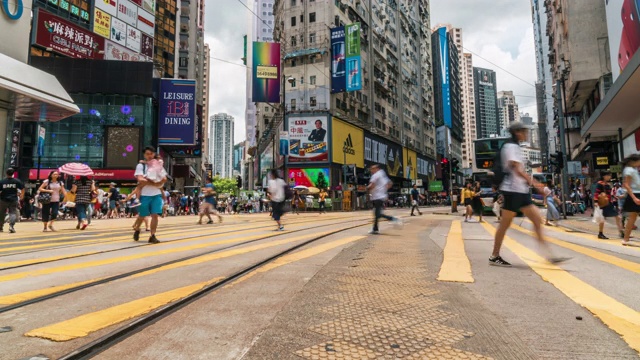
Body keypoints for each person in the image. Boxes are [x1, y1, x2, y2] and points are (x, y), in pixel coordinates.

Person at [490, 122, 568, 267]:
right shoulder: (511, 147)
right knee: (505, 224)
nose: (526, 134)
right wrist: (536, 184)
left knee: (537, 220)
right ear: (517, 132)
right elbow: (517, 169)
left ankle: (549, 255)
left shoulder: (515, 147)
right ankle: (495, 255)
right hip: (513, 191)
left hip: (520, 191)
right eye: (524, 131)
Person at [132, 147, 167, 243]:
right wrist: (155, 183)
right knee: (142, 216)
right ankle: (137, 229)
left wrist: (152, 183)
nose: (149, 155)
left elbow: (164, 178)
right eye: (147, 154)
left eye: (151, 153)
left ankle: (152, 235)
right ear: (144, 155)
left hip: (156, 195)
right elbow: (140, 179)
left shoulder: (158, 165)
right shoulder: (141, 166)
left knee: (155, 215)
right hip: (144, 195)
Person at [367, 164, 401, 234]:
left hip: (377, 197)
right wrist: (384, 190)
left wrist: (367, 188)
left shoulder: (375, 175)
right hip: (381, 197)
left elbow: (372, 185)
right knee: (376, 214)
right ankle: (375, 229)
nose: (371, 171)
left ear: (376, 169)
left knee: (378, 214)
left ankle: (393, 219)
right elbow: (390, 183)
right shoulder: (382, 174)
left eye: (372, 169)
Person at [593, 171, 624, 239]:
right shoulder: (600, 184)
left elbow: (609, 194)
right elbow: (596, 193)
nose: (610, 177)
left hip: (609, 203)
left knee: (617, 216)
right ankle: (600, 233)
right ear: (604, 176)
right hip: (603, 204)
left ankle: (621, 232)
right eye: (608, 175)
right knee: (602, 219)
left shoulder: (607, 184)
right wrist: (595, 201)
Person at [621, 154, 640, 245]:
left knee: (632, 218)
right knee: (632, 218)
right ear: (633, 161)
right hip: (635, 195)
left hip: (636, 194)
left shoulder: (633, 169)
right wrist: (634, 198)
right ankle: (625, 239)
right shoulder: (629, 170)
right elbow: (626, 185)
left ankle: (625, 239)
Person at [0, 168, 24, 233]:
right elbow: (22, 188)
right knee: (12, 213)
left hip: (3, 199)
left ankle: (0, 227)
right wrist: (22, 195)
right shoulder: (17, 181)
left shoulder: (2, 181)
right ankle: (11, 226)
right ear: (13, 174)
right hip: (13, 199)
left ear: (6, 173)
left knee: (2, 213)